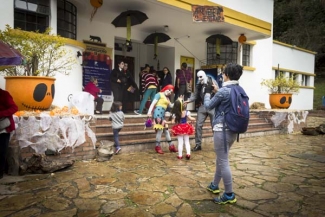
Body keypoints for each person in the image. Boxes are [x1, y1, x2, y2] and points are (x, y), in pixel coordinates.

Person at [204, 63, 244, 204]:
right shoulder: (238, 89)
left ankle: (229, 194)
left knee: (223, 161)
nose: (221, 75)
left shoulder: (223, 91)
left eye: (223, 73)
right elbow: (226, 100)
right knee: (221, 158)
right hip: (233, 130)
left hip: (222, 130)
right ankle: (215, 185)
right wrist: (217, 91)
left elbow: (208, 106)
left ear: (227, 75)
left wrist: (208, 92)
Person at [184, 70, 218, 151]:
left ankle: (217, 145)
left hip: (212, 105)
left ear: (204, 75)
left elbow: (219, 93)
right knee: (198, 125)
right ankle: (198, 144)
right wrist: (189, 100)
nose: (199, 79)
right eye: (198, 77)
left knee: (215, 126)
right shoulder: (198, 84)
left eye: (201, 77)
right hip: (203, 106)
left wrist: (215, 90)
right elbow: (195, 95)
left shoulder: (212, 81)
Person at [147, 84, 178, 154]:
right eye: (169, 90)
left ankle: (171, 146)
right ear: (166, 88)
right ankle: (157, 146)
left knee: (166, 130)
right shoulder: (159, 94)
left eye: (171, 92)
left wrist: (179, 102)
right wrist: (149, 112)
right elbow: (152, 103)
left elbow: (171, 105)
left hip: (162, 115)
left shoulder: (167, 98)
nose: (170, 92)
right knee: (160, 130)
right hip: (157, 114)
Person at [0, 88, 18, 179]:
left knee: (2, 151)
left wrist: (1, 113)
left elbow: (14, 108)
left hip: (3, 128)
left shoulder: (4, 94)